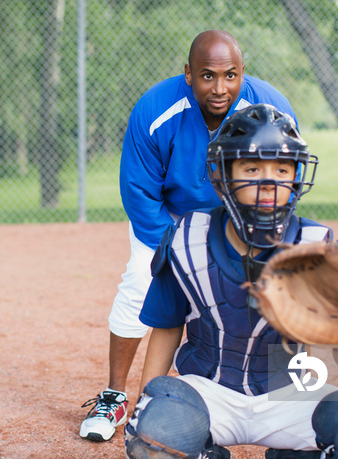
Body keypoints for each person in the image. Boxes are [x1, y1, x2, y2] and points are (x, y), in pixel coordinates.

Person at [123, 104, 338, 458]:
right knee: (154, 432)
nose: (269, 182)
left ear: (297, 176)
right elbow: (167, 327)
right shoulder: (187, 238)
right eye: (252, 167)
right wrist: (147, 400)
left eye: (282, 168)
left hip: (289, 392)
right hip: (209, 391)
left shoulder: (320, 250)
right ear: (224, 173)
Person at [80, 29, 300, 442]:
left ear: (242, 72)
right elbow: (139, 190)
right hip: (169, 219)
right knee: (140, 285)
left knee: (262, 295)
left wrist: (254, 234)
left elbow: (286, 175)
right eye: (208, 76)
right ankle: (116, 396)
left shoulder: (270, 107)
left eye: (230, 75)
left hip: (240, 220)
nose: (220, 88)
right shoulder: (155, 108)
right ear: (188, 74)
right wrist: (177, 246)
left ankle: (260, 395)